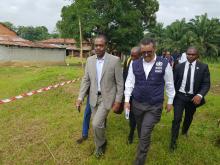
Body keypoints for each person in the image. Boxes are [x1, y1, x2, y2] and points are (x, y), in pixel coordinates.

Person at [124, 38, 175, 165]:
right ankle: (144, 144)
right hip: (137, 104)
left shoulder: (164, 63)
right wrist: (126, 100)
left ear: (155, 49)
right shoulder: (134, 64)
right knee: (141, 131)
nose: (146, 54)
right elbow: (129, 82)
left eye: (149, 52)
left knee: (145, 133)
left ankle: (139, 161)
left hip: (154, 106)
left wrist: (170, 100)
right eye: (143, 52)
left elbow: (169, 84)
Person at [76, 35, 124, 158]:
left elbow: (119, 83)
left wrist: (118, 100)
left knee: (96, 123)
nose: (98, 47)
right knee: (100, 124)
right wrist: (80, 97)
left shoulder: (114, 60)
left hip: (107, 98)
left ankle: (100, 145)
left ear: (105, 46)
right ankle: (102, 141)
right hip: (93, 98)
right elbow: (86, 80)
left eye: (101, 45)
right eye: (96, 45)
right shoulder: (90, 60)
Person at [170, 46, 210, 151]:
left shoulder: (203, 67)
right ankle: (173, 142)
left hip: (193, 98)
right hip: (180, 96)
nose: (190, 56)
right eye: (188, 54)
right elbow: (173, 83)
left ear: (197, 55)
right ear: (186, 54)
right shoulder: (179, 66)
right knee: (176, 119)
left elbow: (206, 84)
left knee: (189, 117)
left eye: (193, 54)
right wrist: (170, 98)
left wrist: (200, 95)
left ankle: (184, 131)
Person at [123, 46, 141, 144]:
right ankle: (131, 133)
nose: (133, 58)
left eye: (135, 56)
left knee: (141, 116)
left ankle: (141, 133)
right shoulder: (129, 61)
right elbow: (126, 76)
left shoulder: (145, 64)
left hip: (142, 95)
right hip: (131, 93)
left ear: (141, 55)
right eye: (131, 55)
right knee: (132, 116)